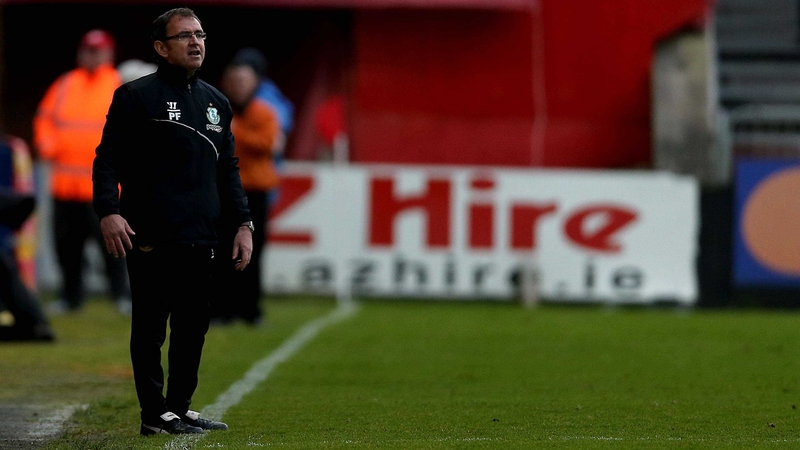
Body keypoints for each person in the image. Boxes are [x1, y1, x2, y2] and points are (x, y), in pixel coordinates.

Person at [92, 7, 253, 435]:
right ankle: (153, 413)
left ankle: (179, 406)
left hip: (203, 234)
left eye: (200, 34)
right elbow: (107, 158)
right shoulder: (135, 96)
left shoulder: (217, 102)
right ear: (161, 48)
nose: (196, 42)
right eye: (184, 36)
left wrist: (243, 224)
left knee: (192, 328)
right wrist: (109, 211)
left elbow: (228, 168)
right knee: (150, 328)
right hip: (150, 232)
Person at [33, 29, 132, 315]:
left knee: (113, 246)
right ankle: (70, 298)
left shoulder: (118, 84)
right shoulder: (65, 84)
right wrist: (46, 143)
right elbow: (44, 120)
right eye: (87, 50)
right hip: (64, 185)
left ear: (109, 54)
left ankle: (121, 296)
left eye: (97, 50)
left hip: (102, 186)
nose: (91, 55)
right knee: (67, 248)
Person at [213, 52, 282, 326]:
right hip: (225, 191)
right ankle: (221, 309)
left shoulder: (264, 113)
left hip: (254, 192)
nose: (238, 86)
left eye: (243, 80)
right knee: (219, 252)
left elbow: (267, 144)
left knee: (252, 252)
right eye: (234, 80)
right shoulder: (220, 111)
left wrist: (234, 130)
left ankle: (249, 309)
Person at [227, 47, 294, 207]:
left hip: (256, 180)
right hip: (247, 180)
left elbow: (275, 143)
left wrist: (236, 131)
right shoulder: (273, 96)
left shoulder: (266, 101)